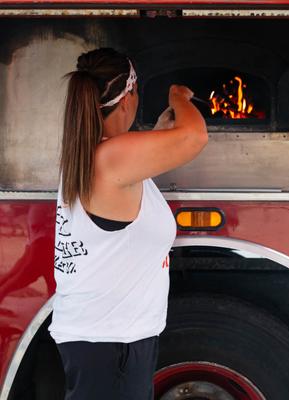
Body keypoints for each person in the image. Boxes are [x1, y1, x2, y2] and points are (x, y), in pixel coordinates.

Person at [48, 47, 208, 400]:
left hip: (107, 339)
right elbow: (195, 136)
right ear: (128, 98)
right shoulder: (111, 159)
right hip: (110, 343)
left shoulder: (100, 153)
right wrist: (179, 97)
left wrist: (159, 132)